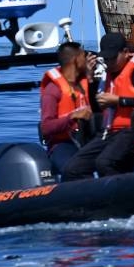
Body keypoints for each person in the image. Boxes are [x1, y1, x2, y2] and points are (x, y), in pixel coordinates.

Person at [62, 32, 134, 180]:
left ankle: (125, 197)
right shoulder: (106, 74)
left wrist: (120, 101)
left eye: (112, 58)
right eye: (106, 58)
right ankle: (90, 198)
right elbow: (97, 109)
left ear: (125, 52)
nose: (109, 62)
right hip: (109, 133)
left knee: (104, 163)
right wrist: (90, 81)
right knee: (73, 168)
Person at [38, 41, 94, 176]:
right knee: (75, 170)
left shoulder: (85, 83)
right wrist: (72, 117)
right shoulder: (53, 89)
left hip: (86, 141)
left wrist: (91, 78)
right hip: (62, 144)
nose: (86, 59)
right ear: (75, 59)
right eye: (83, 55)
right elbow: (46, 127)